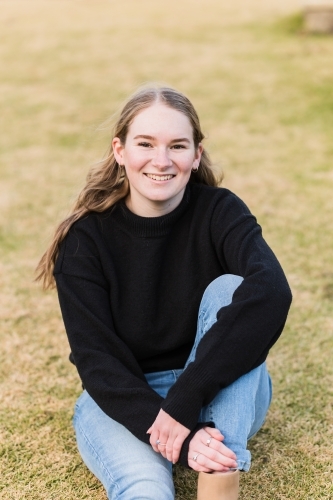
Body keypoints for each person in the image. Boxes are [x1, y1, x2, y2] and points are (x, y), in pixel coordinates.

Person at [36, 85, 292, 500]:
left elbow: (272, 291)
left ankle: (219, 479)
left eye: (177, 145)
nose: (161, 160)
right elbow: (97, 363)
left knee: (233, 290)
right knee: (144, 488)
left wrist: (185, 401)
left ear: (197, 154)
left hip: (219, 386)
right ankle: (203, 449)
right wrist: (178, 434)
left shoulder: (219, 211)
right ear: (120, 150)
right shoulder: (85, 241)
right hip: (125, 400)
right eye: (145, 144)